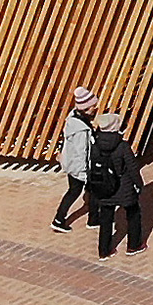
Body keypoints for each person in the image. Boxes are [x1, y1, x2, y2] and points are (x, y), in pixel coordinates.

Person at [86, 112, 145, 257]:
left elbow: (92, 165)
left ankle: (104, 251)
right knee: (133, 214)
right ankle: (133, 245)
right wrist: (139, 184)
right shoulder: (122, 146)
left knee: (106, 218)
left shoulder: (95, 145)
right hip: (123, 185)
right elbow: (132, 167)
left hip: (104, 186)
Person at [51, 86, 98, 231]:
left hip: (71, 164)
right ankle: (92, 219)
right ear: (85, 108)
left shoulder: (73, 119)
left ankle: (59, 219)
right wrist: (84, 173)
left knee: (73, 191)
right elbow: (81, 152)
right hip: (79, 167)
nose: (95, 109)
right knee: (91, 190)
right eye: (92, 107)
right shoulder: (80, 130)